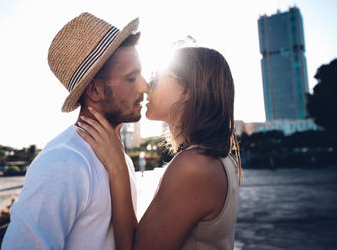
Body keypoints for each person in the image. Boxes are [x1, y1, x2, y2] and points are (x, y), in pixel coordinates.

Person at [1, 12, 148, 249]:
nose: (144, 85)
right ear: (95, 91)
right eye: (132, 78)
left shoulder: (122, 161)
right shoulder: (63, 161)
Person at [78, 46, 243, 250]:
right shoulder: (208, 159)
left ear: (187, 92)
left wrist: (118, 167)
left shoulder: (195, 166)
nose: (147, 86)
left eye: (156, 78)